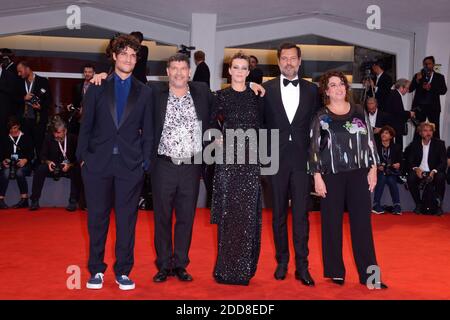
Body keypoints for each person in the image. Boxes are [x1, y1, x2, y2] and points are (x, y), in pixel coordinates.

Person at [77, 34, 153, 290]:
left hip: (130, 167)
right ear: (114, 56)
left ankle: (123, 271)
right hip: (97, 165)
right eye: (124, 54)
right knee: (96, 219)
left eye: (133, 55)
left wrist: (144, 163)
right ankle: (96, 270)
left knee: (127, 221)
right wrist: (83, 159)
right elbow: (85, 127)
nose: (129, 59)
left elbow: (149, 132)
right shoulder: (97, 87)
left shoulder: (144, 92)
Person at [309, 70, 387, 289]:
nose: (338, 88)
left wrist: (373, 168)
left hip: (359, 174)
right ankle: (335, 272)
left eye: (341, 83)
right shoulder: (321, 115)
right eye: (332, 85)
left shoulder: (360, 112)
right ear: (326, 91)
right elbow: (314, 147)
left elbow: (370, 141)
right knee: (331, 225)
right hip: (331, 175)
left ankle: (371, 277)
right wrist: (317, 177)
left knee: (363, 226)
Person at [261, 42, 319, 286]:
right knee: (278, 216)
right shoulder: (265, 89)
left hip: (302, 160)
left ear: (300, 60)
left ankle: (302, 266)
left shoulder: (313, 90)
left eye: (292, 58)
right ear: (278, 61)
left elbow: (318, 128)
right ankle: (282, 262)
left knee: (301, 215)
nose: (288, 62)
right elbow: (260, 125)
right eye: (284, 58)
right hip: (275, 160)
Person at [211, 52, 262, 285]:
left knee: (247, 215)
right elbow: (208, 120)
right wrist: (216, 138)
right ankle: (225, 270)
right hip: (228, 161)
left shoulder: (257, 96)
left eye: (244, 68)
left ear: (248, 72)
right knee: (228, 214)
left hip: (251, 161)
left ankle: (244, 270)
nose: (240, 71)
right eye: (236, 67)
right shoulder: (219, 96)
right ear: (229, 70)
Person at [29, 118, 81, 211]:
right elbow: (42, 155)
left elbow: (79, 158)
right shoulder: (49, 138)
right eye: (55, 133)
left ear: (65, 131)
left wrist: (70, 165)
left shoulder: (73, 138)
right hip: (53, 166)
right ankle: (34, 200)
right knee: (40, 169)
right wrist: (48, 162)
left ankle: (73, 201)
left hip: (69, 167)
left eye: (59, 133)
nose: (56, 135)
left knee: (77, 170)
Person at [406, 122, 446, 215]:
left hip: (434, 172)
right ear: (420, 132)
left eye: (430, 131)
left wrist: (434, 171)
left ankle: (438, 206)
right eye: (425, 130)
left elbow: (443, 162)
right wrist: (416, 169)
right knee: (411, 178)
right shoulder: (414, 144)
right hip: (420, 172)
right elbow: (410, 161)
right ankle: (418, 204)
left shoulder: (439, 144)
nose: (428, 133)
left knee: (441, 177)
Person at [17, 61, 52, 162]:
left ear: (27, 68)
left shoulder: (43, 81)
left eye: (20, 71)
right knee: (26, 146)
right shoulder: (19, 82)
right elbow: (13, 99)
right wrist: (24, 97)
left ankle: (39, 167)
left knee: (39, 145)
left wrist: (40, 106)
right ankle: (26, 165)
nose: (19, 74)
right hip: (23, 120)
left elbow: (49, 100)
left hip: (38, 120)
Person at [409, 56, 447, 139]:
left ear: (433, 64)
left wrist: (432, 87)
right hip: (419, 107)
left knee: (435, 129)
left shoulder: (440, 77)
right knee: (418, 129)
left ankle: (436, 150)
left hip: (434, 107)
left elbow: (444, 91)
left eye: (429, 63)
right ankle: (416, 149)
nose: (426, 65)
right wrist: (417, 81)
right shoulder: (418, 75)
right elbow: (410, 89)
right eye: (425, 64)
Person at [0, 118, 33, 209]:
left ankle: (24, 199)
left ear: (18, 126)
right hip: (9, 164)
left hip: (24, 164)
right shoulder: (4, 138)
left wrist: (25, 160)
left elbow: (31, 154)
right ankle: (1, 199)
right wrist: (3, 160)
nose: (13, 131)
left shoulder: (26, 137)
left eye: (15, 128)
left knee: (19, 172)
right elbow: (1, 153)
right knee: (5, 172)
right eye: (11, 129)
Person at [372, 125, 403, 215]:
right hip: (379, 171)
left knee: (391, 179)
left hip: (391, 171)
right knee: (382, 177)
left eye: (386, 133)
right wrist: (378, 166)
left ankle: (397, 206)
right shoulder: (376, 146)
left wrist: (398, 165)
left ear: (391, 136)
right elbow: (372, 159)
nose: (383, 135)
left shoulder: (396, 147)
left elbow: (400, 161)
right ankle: (376, 204)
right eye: (382, 133)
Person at [384, 79, 415, 150]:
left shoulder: (393, 94)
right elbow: (398, 112)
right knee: (397, 146)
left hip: (392, 124)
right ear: (401, 87)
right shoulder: (396, 95)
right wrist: (409, 113)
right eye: (407, 88)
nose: (407, 91)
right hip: (395, 125)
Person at [68, 64, 95, 135]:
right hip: (80, 119)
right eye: (85, 72)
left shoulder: (97, 85)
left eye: (89, 72)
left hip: (93, 119)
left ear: (94, 73)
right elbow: (75, 102)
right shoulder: (78, 86)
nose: (87, 74)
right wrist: (71, 105)